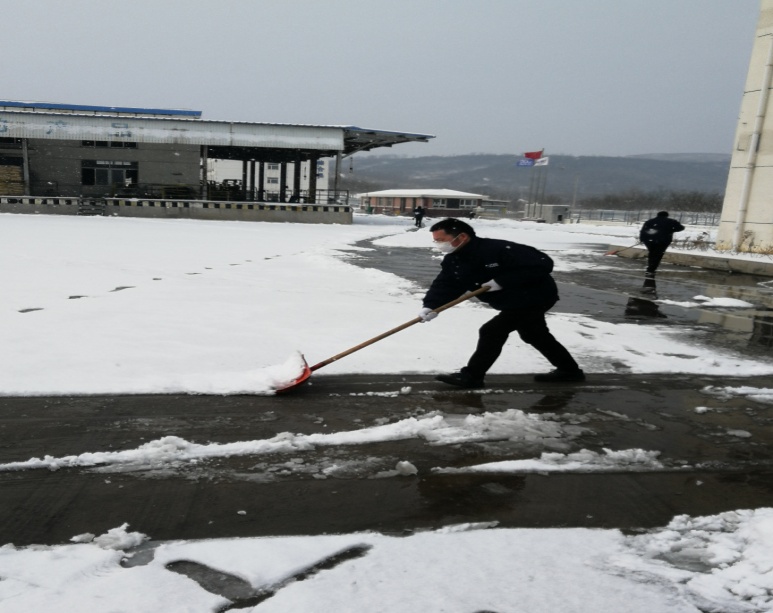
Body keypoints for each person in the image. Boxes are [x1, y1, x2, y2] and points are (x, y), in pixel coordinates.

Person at [418, 218, 584, 388]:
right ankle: (569, 371)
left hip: (535, 296)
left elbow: (541, 263)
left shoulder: (497, 249)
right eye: (436, 241)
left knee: (492, 331)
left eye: (441, 240)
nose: (438, 244)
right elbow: (446, 284)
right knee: (534, 334)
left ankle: (472, 376)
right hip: (512, 302)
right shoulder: (453, 260)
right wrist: (431, 306)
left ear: (462, 237)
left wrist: (501, 281)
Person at [639, 211, 685, 275]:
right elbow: (681, 227)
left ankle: (650, 267)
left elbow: (643, 231)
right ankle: (651, 269)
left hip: (650, 241)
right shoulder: (671, 221)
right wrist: (671, 230)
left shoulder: (650, 221)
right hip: (663, 241)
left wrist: (642, 239)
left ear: (657, 215)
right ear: (667, 215)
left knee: (652, 253)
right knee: (658, 254)